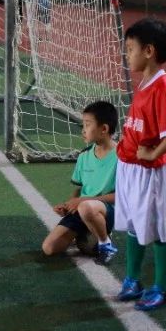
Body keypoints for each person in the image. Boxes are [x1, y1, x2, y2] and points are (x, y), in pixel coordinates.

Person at [115, 17, 166, 311]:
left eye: (130, 49)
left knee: (158, 228)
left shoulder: (162, 86)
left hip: (150, 172)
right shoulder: (145, 82)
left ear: (149, 51)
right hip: (130, 167)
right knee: (134, 224)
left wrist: (153, 153)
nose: (126, 54)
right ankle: (133, 280)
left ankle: (162, 287)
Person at [42, 100, 119, 264]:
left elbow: (122, 197)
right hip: (83, 208)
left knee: (86, 207)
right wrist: (69, 205)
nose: (83, 130)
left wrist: (84, 201)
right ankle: (85, 235)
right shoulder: (84, 156)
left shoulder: (122, 156)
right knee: (49, 248)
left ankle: (105, 243)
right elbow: (80, 189)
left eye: (87, 124)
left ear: (104, 129)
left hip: (107, 211)